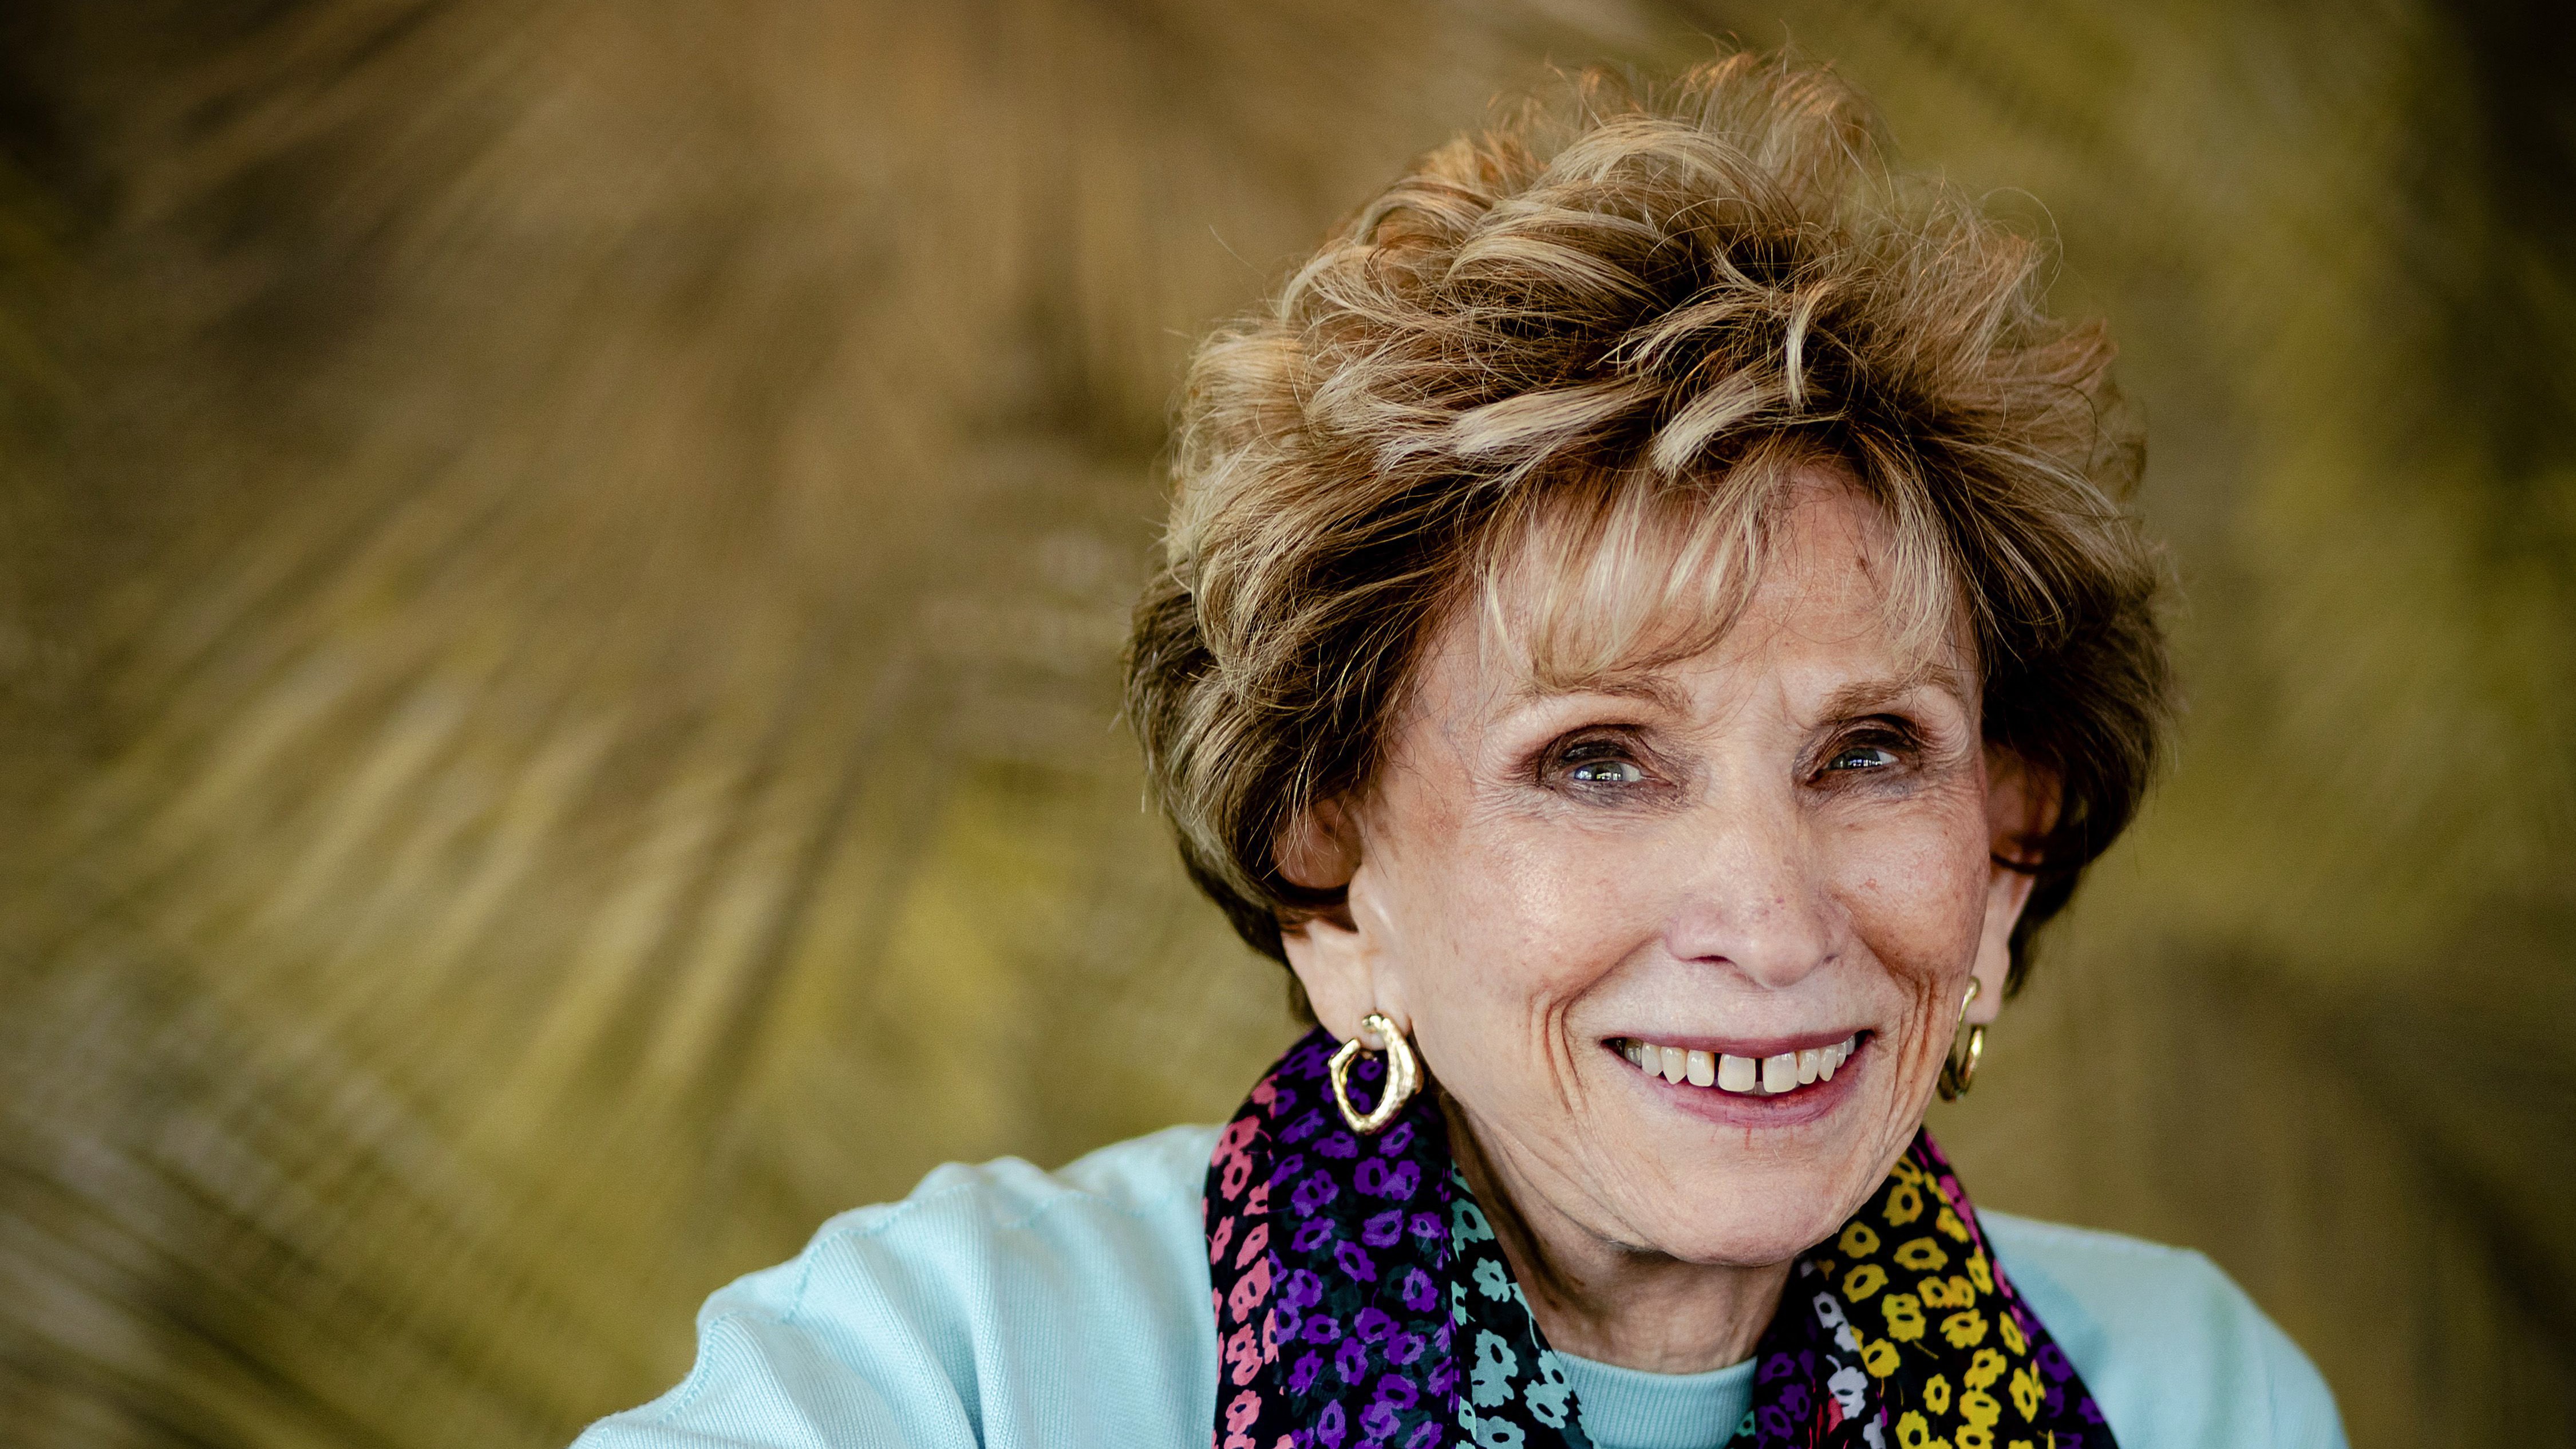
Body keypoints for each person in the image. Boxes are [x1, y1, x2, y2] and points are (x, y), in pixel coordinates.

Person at [575, 52, 2344, 1449]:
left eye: (1871, 750)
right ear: (1330, 875)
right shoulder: (955, 1367)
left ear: (2007, 849)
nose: (1771, 915)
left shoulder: (2195, 1399)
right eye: (1596, 757)